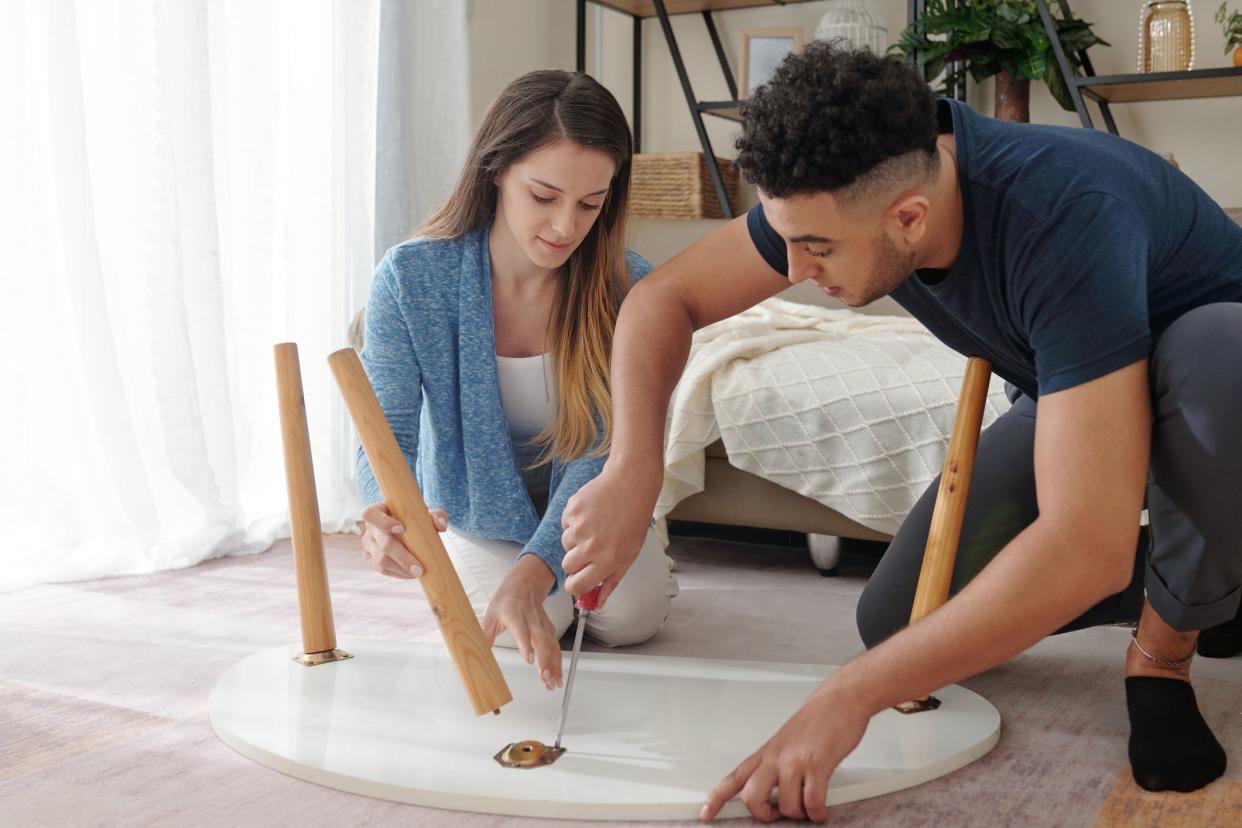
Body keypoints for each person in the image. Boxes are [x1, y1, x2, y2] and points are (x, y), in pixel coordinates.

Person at [558, 44, 1242, 821]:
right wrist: (633, 470)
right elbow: (662, 301)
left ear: (909, 217)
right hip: (1082, 394)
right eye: (785, 238)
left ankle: (1167, 646)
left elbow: (1085, 545)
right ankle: (1217, 571)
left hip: (1217, 395)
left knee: (1215, 356)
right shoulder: (858, 184)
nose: (792, 266)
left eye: (817, 248)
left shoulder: (1063, 212)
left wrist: (847, 695)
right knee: (898, 627)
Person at [356, 70, 678, 693]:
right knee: (523, 634)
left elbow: (604, 449)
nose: (565, 227)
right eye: (544, 195)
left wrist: (538, 567)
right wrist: (384, 511)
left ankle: (641, 542)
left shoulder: (631, 288)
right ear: (496, 169)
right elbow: (384, 429)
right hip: (479, 518)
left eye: (591, 204)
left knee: (630, 618)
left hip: (592, 510)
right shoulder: (412, 275)